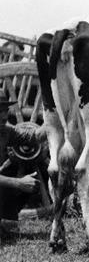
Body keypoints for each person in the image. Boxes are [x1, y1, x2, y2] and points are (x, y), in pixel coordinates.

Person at [0, 90, 40, 237]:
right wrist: (18, 183)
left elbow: (32, 137)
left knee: (26, 181)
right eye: (0, 111)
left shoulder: (7, 131)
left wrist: (52, 123)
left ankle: (4, 222)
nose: (4, 116)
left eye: (6, 111)